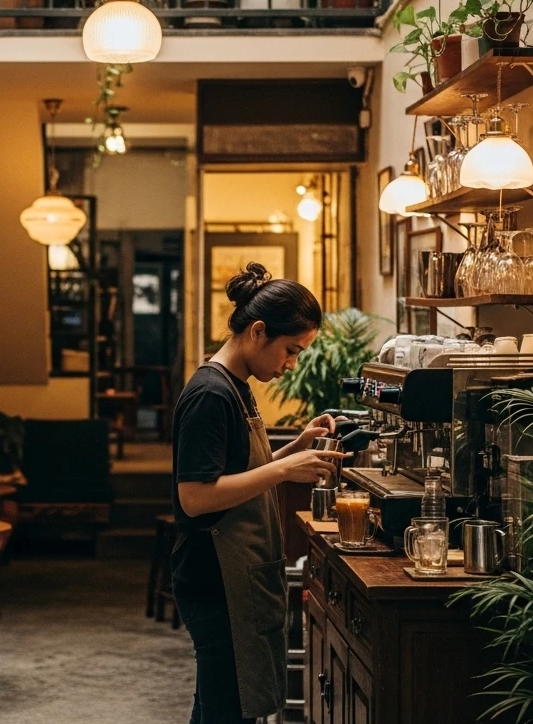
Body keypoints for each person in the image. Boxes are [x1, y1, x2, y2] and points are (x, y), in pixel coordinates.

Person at [171, 262, 349, 724]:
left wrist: (296, 447)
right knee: (226, 710)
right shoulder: (211, 394)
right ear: (257, 331)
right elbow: (196, 496)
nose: (291, 365)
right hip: (215, 577)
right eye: (290, 351)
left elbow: (238, 472)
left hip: (236, 572)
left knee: (219, 706)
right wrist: (286, 469)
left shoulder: (237, 385)